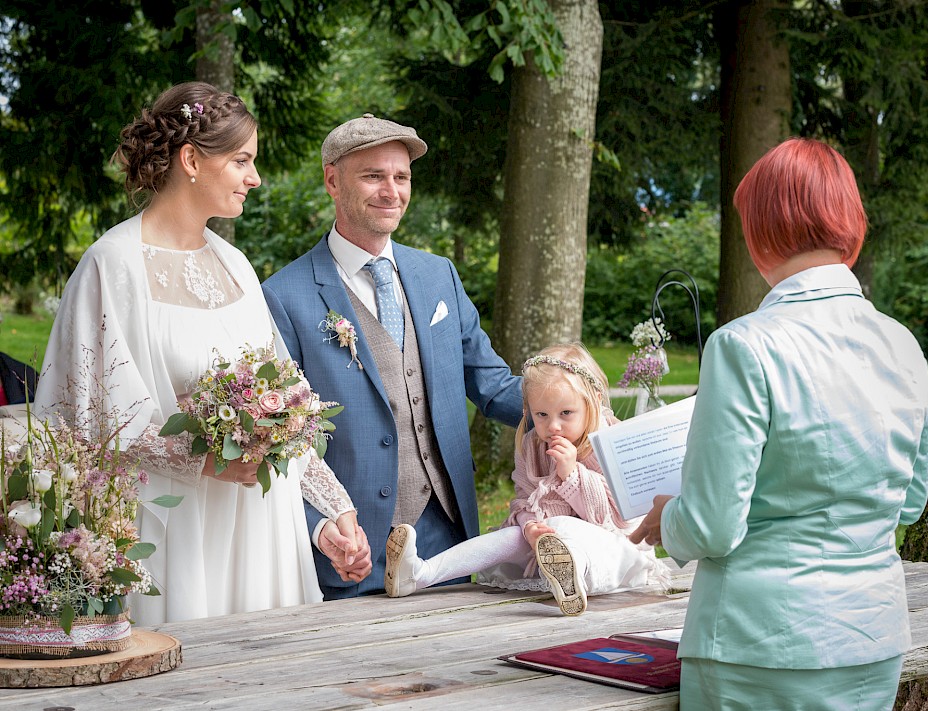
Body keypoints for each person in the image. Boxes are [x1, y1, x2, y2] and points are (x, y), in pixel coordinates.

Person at [34, 81, 368, 624]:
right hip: (174, 525)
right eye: (241, 160)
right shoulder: (112, 266)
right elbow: (92, 422)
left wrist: (335, 509)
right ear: (191, 159)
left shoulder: (235, 265)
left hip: (260, 525)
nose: (254, 178)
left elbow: (286, 403)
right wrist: (207, 459)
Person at [629, 138, 928, 710]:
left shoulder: (744, 346)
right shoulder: (902, 345)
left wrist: (670, 519)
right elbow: (909, 502)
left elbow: (715, 525)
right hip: (873, 637)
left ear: (761, 230)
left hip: (760, 644)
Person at [262, 113, 523, 599]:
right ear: (332, 180)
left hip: (448, 545)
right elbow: (276, 444)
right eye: (373, 176)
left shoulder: (437, 275)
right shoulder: (283, 296)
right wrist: (323, 528)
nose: (391, 191)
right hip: (353, 553)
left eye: (401, 177)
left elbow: (493, 386)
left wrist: (581, 408)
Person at [383, 343, 670, 615]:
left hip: (615, 552)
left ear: (592, 402)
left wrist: (571, 474)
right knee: (509, 536)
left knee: (565, 528)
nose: (552, 425)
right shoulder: (533, 444)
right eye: (541, 414)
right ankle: (420, 574)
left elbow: (613, 519)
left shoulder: (605, 442)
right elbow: (525, 497)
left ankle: (572, 580)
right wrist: (529, 524)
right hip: (551, 540)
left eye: (566, 413)